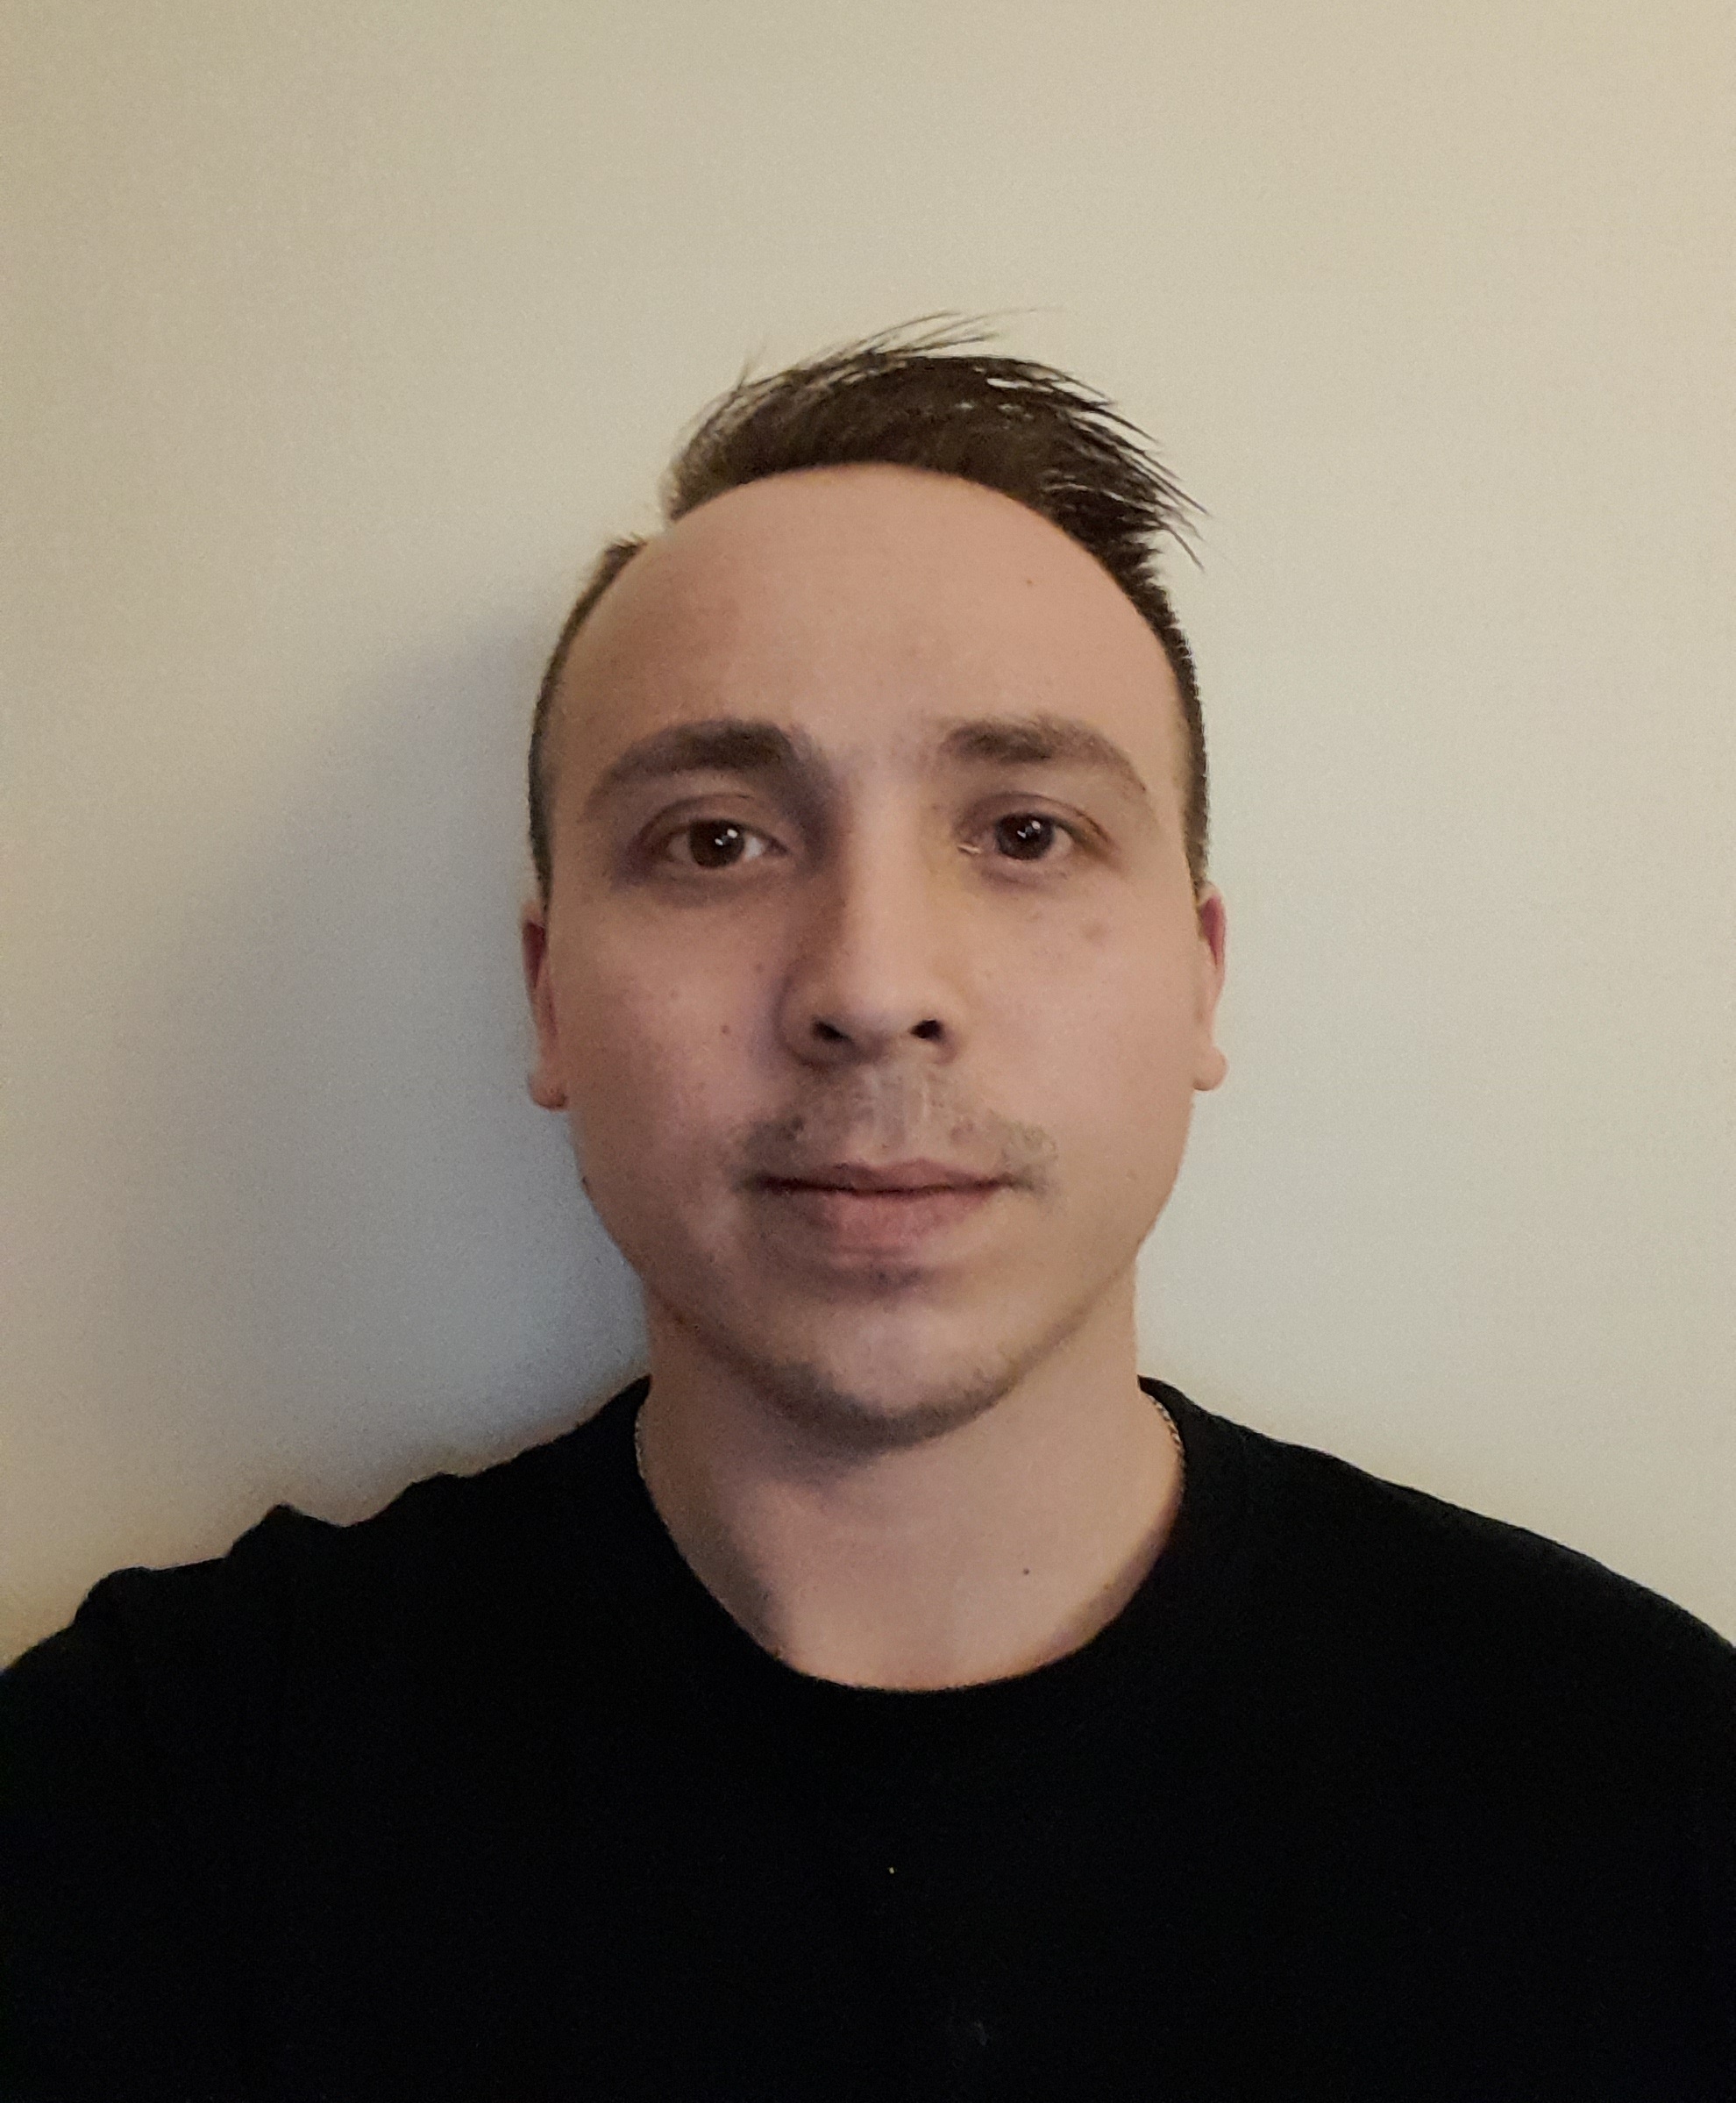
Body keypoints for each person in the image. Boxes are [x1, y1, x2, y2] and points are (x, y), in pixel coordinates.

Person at [3, 328, 1732, 2102]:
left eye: (1028, 832)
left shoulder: (1647, 1787)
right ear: (548, 998)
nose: (874, 986)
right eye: (716, 841)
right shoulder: (149, 1805)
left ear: (1202, 981)